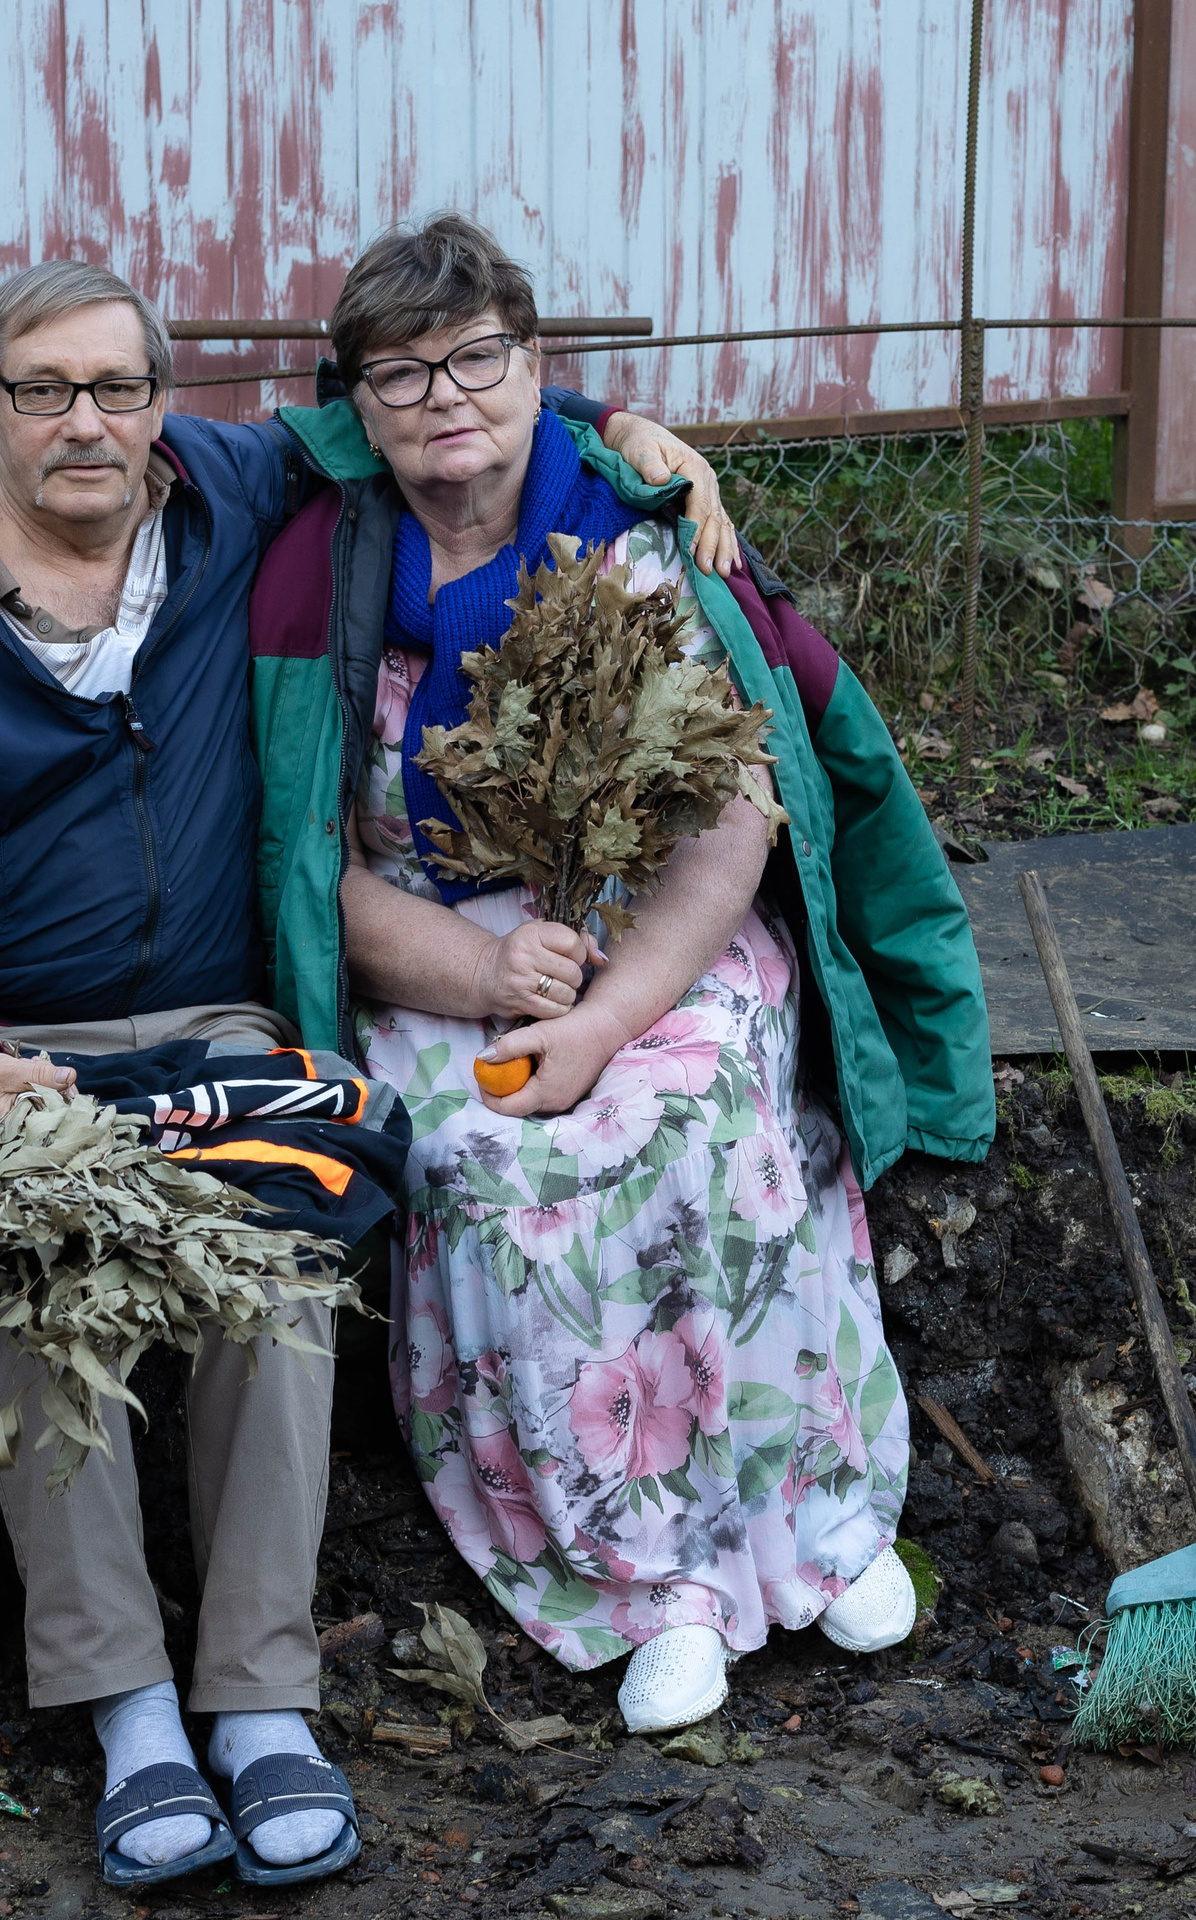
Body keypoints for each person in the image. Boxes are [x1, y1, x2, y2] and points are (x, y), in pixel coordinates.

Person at [0, 258, 730, 1887]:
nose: (87, 424)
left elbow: (431, 408)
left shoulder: (223, 491)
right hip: (6, 1051)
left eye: (119, 388)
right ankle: (130, 1711)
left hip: (216, 1031)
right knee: (47, 1266)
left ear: (166, 406)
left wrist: (625, 434)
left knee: (271, 1264)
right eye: (43, 390)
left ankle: (261, 1705)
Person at [249, 214, 993, 1734]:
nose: (447, 396)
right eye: (403, 375)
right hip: (434, 947)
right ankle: (646, 1580)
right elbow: (305, 866)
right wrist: (479, 966)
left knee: (702, 1102)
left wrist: (601, 1013)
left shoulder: (632, 529)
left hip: (654, 938)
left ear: (536, 367)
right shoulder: (316, 569)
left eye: (481, 359)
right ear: (356, 400)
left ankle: (809, 1516)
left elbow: (734, 807)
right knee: (484, 1158)